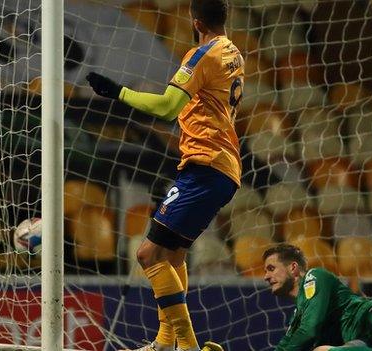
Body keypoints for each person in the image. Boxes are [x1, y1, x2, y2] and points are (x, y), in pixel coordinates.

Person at [86, 0, 243, 350]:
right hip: (220, 167)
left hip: (205, 166)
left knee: (147, 254)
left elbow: (167, 107)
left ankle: (186, 345)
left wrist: (118, 92)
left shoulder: (202, 55)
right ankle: (164, 340)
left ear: (195, 21)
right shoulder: (233, 52)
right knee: (173, 255)